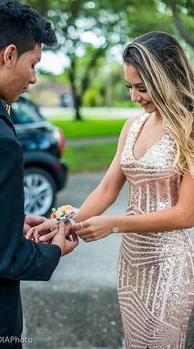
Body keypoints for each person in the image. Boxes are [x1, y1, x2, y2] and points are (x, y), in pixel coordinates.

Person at [32, 32, 194, 348]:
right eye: (129, 87)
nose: (134, 97)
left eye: (142, 88)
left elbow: (186, 214)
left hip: (169, 264)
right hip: (132, 260)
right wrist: (64, 223)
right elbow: (107, 189)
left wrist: (116, 224)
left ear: (167, 79)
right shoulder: (132, 127)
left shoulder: (190, 128)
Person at [0, 0, 78, 347]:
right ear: (9, 55)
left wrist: (6, 217)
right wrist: (54, 250)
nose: (34, 78)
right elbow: (2, 257)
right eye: (33, 63)